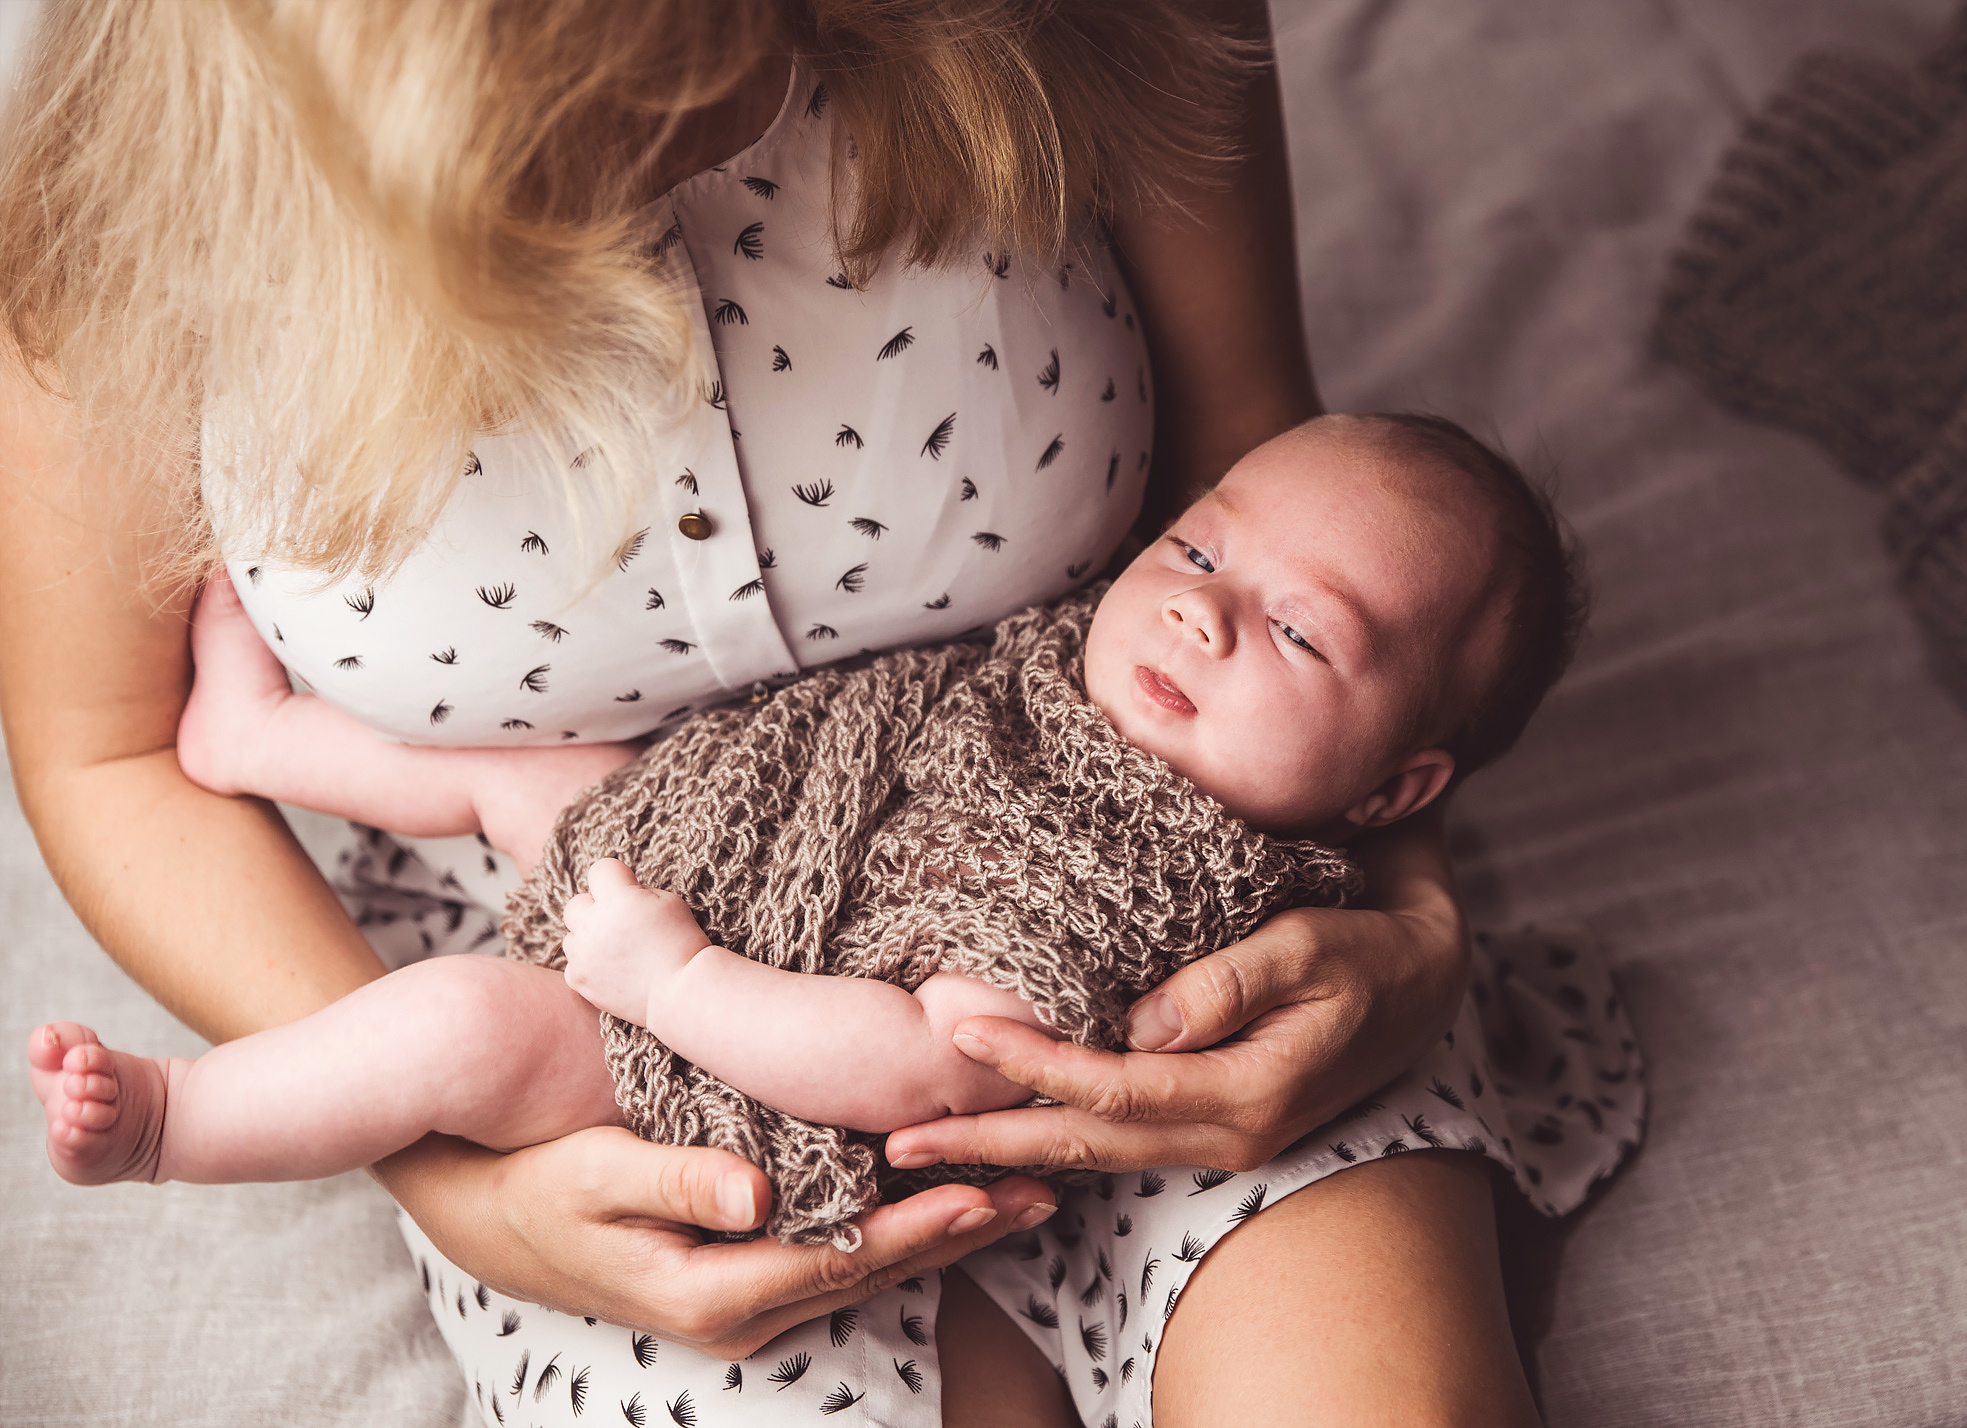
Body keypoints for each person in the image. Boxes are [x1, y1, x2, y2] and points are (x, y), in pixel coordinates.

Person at [0, 3, 1633, 1424]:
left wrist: (1413, 928)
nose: (717, 116)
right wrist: (456, 1184)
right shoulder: (134, 198)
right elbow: (110, 748)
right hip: (606, 969)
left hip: (1168, 916)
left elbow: (1277, 482)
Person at [33, 413, 1575, 1223]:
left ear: (1393, 793)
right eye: (1195, 549)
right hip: (733, 846)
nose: (1202, 615)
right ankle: (257, 738)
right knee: (526, 774)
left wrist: (673, 983)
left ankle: (179, 1123)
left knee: (456, 1028)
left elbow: (932, 1064)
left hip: (732, 1059)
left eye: (1301, 634)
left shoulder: (1149, 878)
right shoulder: (1069, 667)